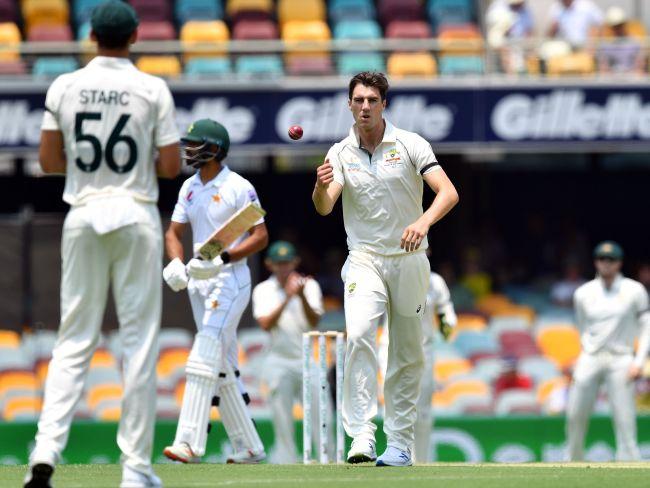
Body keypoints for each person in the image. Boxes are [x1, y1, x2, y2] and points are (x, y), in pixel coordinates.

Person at [24, 2, 181, 487]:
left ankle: (46, 449)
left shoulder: (64, 86)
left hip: (84, 213)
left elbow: (50, 161)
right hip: (135, 213)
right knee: (138, 344)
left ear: (90, 34)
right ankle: (134, 468)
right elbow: (172, 166)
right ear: (135, 35)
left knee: (73, 341)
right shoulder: (152, 88)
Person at [312, 71, 459, 466]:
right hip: (363, 259)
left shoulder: (410, 144)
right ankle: (362, 435)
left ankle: (400, 444)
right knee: (359, 334)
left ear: (383, 104)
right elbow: (325, 206)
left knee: (406, 351)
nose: (364, 107)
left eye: (372, 101)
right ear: (349, 104)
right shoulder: (339, 153)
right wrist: (318, 188)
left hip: (409, 259)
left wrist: (423, 222)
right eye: (358, 100)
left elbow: (448, 192)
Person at [161, 119, 268, 464]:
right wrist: (176, 263)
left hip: (231, 279)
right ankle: (249, 446)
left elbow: (259, 236)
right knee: (221, 362)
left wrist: (223, 257)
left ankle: (189, 442)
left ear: (215, 149)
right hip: (199, 279)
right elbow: (174, 233)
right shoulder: (189, 188)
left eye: (196, 144)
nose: (189, 150)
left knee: (204, 351)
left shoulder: (239, 186)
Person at [566, 241, 650, 461]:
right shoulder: (584, 293)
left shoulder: (634, 290)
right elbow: (582, 326)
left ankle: (629, 462)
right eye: (602, 259)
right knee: (575, 413)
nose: (606, 264)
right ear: (596, 262)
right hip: (591, 356)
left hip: (621, 358)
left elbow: (646, 326)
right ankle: (572, 461)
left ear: (619, 263)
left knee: (625, 418)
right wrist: (584, 352)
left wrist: (639, 361)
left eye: (611, 260)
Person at [252, 240, 325, 463]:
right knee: (282, 419)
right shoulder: (263, 289)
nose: (283, 268)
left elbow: (314, 321)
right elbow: (265, 324)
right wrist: (287, 297)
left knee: (321, 416)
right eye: (278, 263)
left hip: (307, 360)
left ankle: (325, 457)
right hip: (277, 361)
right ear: (269, 264)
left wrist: (301, 295)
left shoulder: (309, 286)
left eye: (287, 262)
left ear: (295, 262)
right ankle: (287, 461)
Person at [378, 269, 457, 463]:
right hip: (392, 346)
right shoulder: (390, 273)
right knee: (395, 403)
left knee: (422, 410)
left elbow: (445, 309)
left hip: (424, 349)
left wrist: (448, 322)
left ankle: (421, 460)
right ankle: (395, 454)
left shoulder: (435, 281)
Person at [597, 7, 643, 75]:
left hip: (632, 82)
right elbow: (603, 69)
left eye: (620, 25)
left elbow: (639, 69)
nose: (617, 28)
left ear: (624, 24)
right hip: (610, 83)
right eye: (614, 26)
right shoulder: (605, 47)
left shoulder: (635, 44)